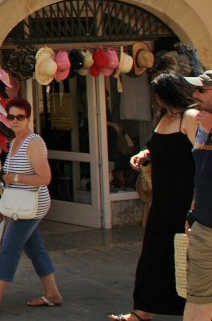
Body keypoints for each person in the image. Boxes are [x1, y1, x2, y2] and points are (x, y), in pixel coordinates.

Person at [109, 72, 198, 321]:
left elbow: (201, 155)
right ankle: (141, 312)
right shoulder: (164, 118)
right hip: (162, 201)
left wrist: (197, 201)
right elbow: (162, 146)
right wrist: (144, 153)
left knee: (185, 258)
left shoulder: (189, 117)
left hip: (183, 199)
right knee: (153, 256)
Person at [0, 97, 63, 314]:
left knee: (10, 248)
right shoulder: (14, 143)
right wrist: (3, 206)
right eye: (11, 117)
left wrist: (13, 178)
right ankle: (52, 294)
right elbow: (10, 182)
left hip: (33, 204)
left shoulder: (34, 143)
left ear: (28, 119)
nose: (15, 121)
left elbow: (45, 178)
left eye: (20, 117)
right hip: (18, 205)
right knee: (34, 248)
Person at [184, 71, 212, 321]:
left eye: (202, 90)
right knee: (197, 297)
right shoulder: (203, 126)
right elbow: (201, 173)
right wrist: (193, 214)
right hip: (205, 227)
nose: (195, 95)